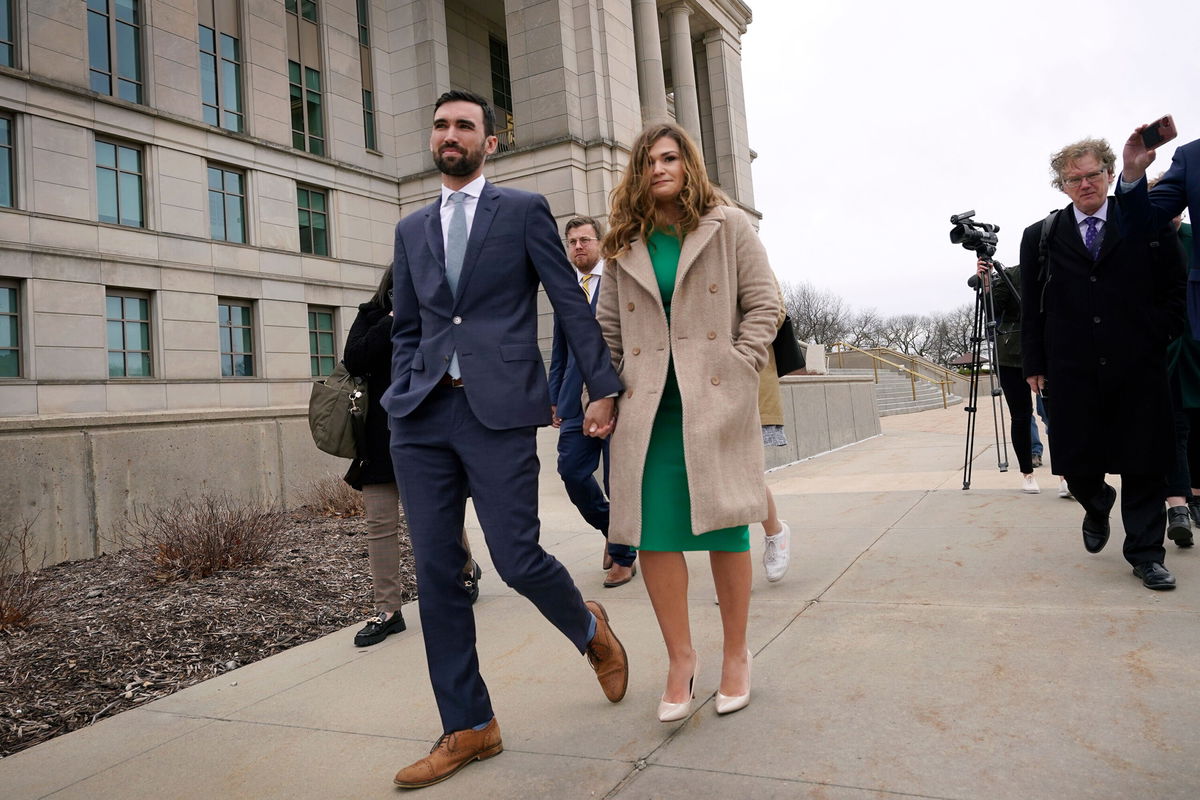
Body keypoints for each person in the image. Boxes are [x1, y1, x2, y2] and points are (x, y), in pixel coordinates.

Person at [381, 90, 627, 789]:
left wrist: (600, 386)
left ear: (491, 142)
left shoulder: (521, 212)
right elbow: (408, 327)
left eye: (464, 125)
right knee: (436, 575)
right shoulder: (410, 228)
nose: (450, 134)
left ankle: (588, 628)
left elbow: (568, 301)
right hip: (422, 416)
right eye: (440, 125)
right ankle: (470, 726)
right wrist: (404, 392)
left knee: (516, 558)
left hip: (499, 411)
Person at [596, 122, 780, 720]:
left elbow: (765, 302)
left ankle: (735, 655)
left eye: (670, 157)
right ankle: (681, 659)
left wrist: (742, 360)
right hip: (646, 410)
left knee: (726, 528)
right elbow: (606, 334)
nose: (658, 169)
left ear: (688, 164)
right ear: (636, 172)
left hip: (715, 399)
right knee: (653, 533)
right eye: (648, 161)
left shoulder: (727, 226)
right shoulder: (623, 241)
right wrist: (601, 394)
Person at [1020, 137, 1186, 591]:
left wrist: (1156, 331)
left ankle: (1146, 554)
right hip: (1071, 365)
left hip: (1137, 362)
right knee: (1076, 460)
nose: (1084, 184)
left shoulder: (1144, 220)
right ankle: (1095, 501)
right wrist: (1034, 362)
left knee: (1143, 461)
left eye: (1093, 174)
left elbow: (1175, 287)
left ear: (1110, 173)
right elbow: (1032, 306)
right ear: (1062, 185)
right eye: (1073, 178)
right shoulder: (1042, 235)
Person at [342, 269, 482, 648]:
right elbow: (354, 360)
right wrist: (391, 320)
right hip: (377, 437)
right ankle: (388, 610)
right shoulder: (371, 314)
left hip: (423, 431)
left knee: (438, 513)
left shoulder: (436, 318)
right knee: (379, 525)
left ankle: (464, 569)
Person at [548, 215, 638, 588]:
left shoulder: (619, 280)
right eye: (571, 242)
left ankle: (623, 556)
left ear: (600, 243)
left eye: (584, 240)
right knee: (571, 472)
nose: (578, 247)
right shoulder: (567, 290)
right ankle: (610, 526)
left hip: (621, 393)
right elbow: (559, 348)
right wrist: (554, 397)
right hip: (574, 399)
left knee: (618, 479)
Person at [973, 260, 1039, 494]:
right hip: (1011, 354)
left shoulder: (1059, 266)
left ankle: (1065, 475)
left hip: (1049, 348)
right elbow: (991, 311)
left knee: (1056, 415)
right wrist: (987, 284)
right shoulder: (1011, 275)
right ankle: (1027, 473)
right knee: (1021, 416)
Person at [757, 282, 792, 582]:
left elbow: (775, 310)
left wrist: (743, 346)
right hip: (699, 384)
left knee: (741, 474)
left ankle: (774, 533)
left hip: (749, 379)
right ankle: (775, 532)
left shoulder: (745, 247)